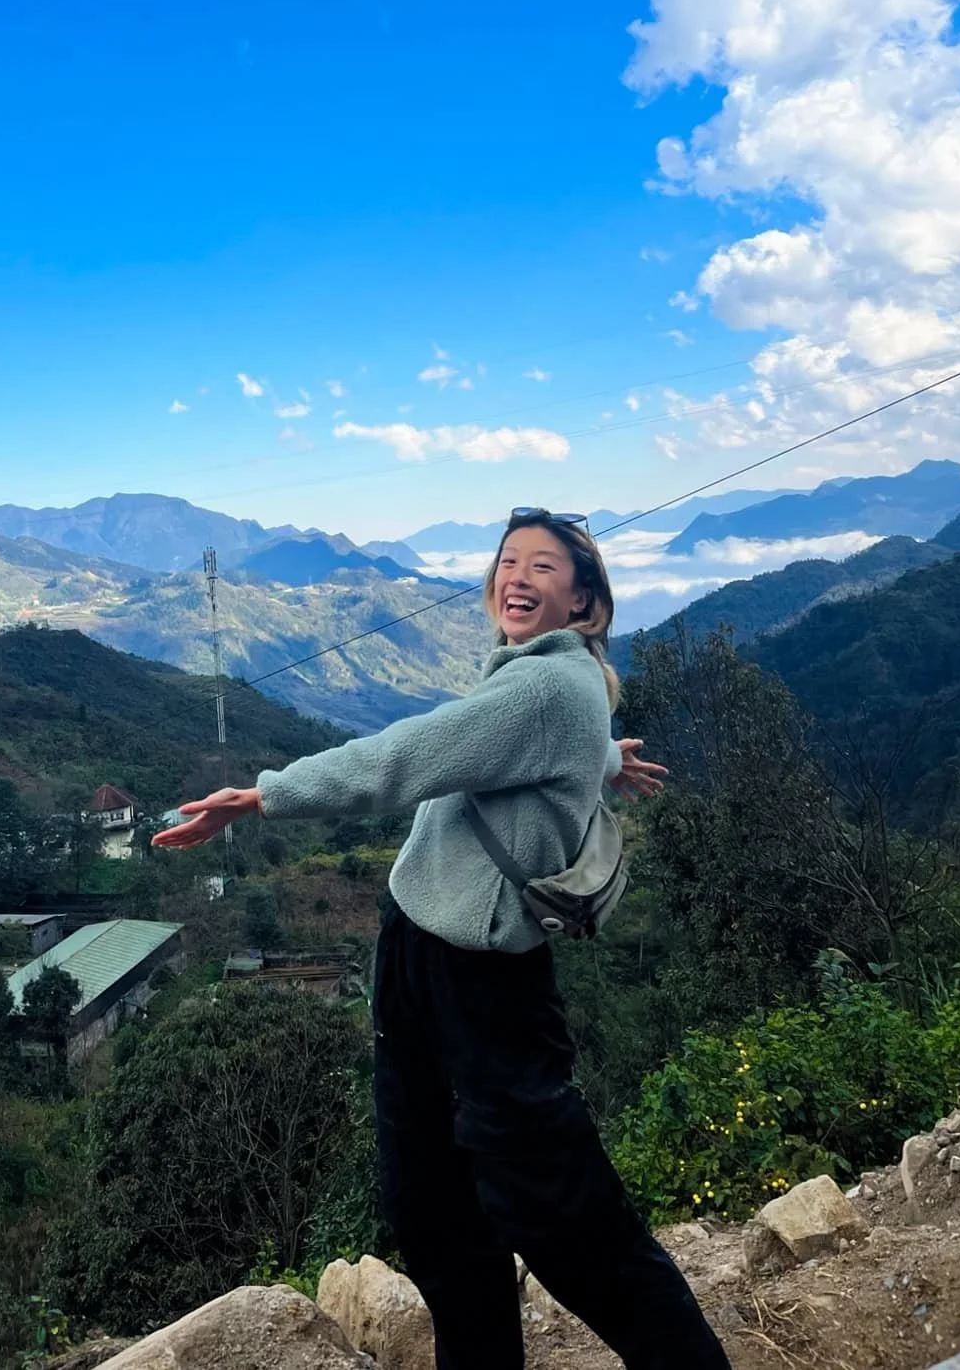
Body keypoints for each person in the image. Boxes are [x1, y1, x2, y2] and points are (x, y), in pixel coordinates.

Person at [152, 508, 730, 1370]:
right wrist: (604, 760)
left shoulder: (545, 687)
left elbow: (412, 753)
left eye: (543, 566)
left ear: (585, 605)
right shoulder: (553, 689)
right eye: (507, 562)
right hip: (422, 957)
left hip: (484, 987)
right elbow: (523, 746)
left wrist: (268, 794)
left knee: (562, 1215)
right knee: (434, 1210)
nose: (517, 577)